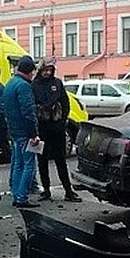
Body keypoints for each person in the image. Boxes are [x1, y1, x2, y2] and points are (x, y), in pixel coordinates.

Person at [32, 58, 82, 203]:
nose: (47, 73)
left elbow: (65, 102)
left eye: (50, 70)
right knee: (42, 161)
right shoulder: (35, 85)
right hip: (42, 127)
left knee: (60, 159)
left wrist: (63, 120)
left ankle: (68, 190)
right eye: (45, 70)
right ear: (40, 70)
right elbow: (34, 104)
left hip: (57, 127)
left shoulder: (57, 83)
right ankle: (46, 190)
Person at [2, 55, 41, 208]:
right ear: (29, 71)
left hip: (14, 131)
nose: (33, 74)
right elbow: (28, 112)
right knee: (28, 165)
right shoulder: (24, 86)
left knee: (18, 164)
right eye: (32, 71)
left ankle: (16, 193)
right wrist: (34, 134)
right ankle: (22, 197)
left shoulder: (10, 83)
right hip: (25, 132)